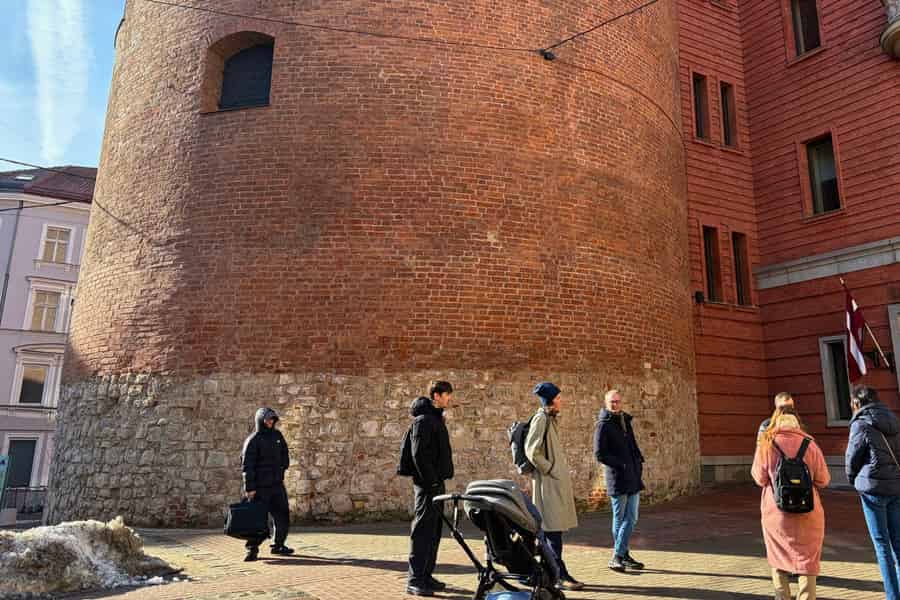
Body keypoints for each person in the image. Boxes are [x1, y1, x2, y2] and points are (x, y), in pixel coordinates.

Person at [752, 406, 830, 600]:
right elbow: (824, 479)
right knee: (808, 559)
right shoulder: (810, 444)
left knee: (778, 557)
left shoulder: (767, 444)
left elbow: (759, 478)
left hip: (776, 512)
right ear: (797, 422)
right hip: (808, 510)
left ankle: (782, 597)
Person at [525, 382, 583, 591]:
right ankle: (559, 575)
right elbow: (532, 450)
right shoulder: (541, 418)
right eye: (558, 398)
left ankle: (552, 574)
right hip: (547, 484)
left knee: (553, 532)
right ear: (550, 400)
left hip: (553, 483)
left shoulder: (550, 418)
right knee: (553, 532)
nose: (561, 401)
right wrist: (550, 469)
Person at [846, 385, 900, 599]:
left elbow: (852, 459)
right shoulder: (893, 420)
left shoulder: (860, 424)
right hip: (895, 487)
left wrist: (853, 479)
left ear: (857, 403)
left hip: (873, 491)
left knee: (882, 545)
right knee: (898, 543)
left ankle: (892, 596)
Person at [405, 381, 455, 597]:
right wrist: (432, 481)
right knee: (423, 531)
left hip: (436, 484)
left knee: (434, 531)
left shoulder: (435, 418)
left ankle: (427, 575)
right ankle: (415, 579)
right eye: (446, 395)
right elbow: (419, 455)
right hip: (427, 486)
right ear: (436, 395)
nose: (449, 398)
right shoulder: (423, 421)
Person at [594, 389, 645, 573]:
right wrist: (621, 465)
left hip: (632, 476)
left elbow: (632, 445)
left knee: (632, 517)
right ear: (606, 403)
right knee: (620, 517)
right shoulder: (603, 424)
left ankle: (621, 554)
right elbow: (599, 454)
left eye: (618, 401)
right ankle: (618, 555)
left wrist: (639, 461)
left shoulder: (625, 420)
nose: (615, 404)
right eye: (612, 402)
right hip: (617, 478)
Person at [241, 407, 293, 561]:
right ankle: (252, 549)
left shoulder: (277, 435)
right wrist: (250, 488)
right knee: (257, 519)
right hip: (260, 487)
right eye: (267, 419)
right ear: (260, 421)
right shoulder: (253, 440)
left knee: (282, 516)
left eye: (272, 419)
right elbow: (247, 466)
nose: (270, 422)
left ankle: (278, 545)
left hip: (277, 485)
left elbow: (285, 453)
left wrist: (283, 466)